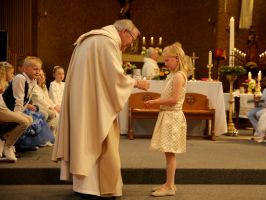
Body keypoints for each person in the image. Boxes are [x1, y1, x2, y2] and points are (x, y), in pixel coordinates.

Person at [52, 19, 149, 198]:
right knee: (101, 138)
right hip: (96, 102)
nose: (131, 44)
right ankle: (97, 188)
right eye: (132, 39)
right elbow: (115, 78)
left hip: (82, 100)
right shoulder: (107, 42)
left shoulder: (87, 39)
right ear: (124, 32)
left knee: (83, 138)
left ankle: (83, 187)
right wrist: (136, 82)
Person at [144, 43, 188, 197]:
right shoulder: (174, 75)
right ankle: (169, 183)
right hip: (169, 116)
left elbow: (174, 99)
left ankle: (169, 186)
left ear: (176, 59)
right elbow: (168, 96)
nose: (165, 63)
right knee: (168, 153)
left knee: (170, 153)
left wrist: (155, 102)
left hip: (172, 117)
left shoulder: (178, 76)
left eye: (167, 60)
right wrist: (155, 101)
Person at [0, 61, 33, 161]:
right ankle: (8, 146)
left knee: (29, 119)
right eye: (11, 72)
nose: (13, 75)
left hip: (3, 108)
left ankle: (4, 138)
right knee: (24, 121)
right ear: (4, 72)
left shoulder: (6, 83)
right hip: (1, 109)